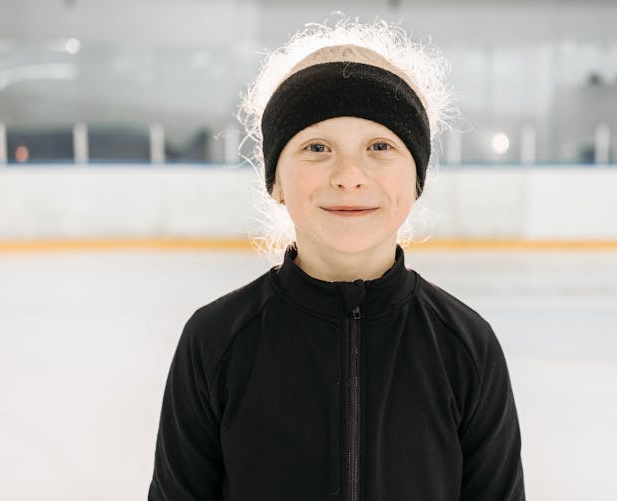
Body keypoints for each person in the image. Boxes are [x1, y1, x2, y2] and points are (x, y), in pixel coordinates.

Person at [148, 19, 524, 501]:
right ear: (276, 180)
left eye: (380, 147)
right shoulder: (216, 340)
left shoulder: (466, 346)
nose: (349, 176)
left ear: (416, 178)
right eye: (317, 147)